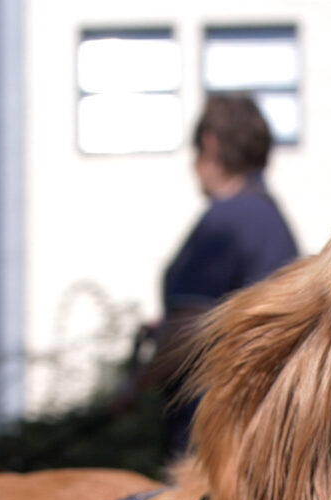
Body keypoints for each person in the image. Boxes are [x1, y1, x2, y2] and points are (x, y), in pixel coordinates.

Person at [124, 94, 299, 458]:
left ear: (210, 144)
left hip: (210, 443)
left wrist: (131, 387)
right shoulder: (274, 223)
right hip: (260, 439)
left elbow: (187, 333)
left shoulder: (223, 221)